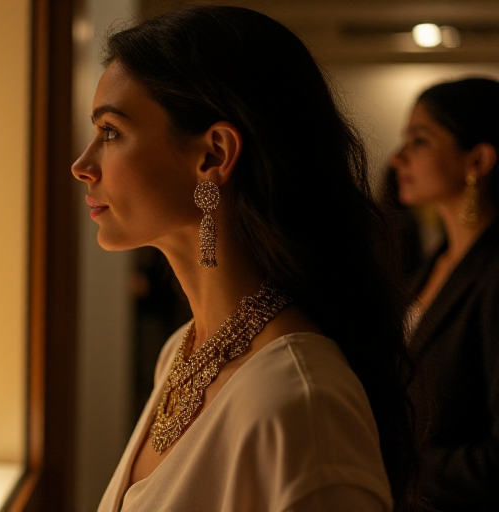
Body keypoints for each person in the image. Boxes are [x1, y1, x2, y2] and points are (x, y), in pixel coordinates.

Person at [73, 7, 417, 511]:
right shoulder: (182, 353)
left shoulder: (300, 401)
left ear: (213, 155)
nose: (82, 166)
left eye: (110, 132)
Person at [390, 77, 499, 511]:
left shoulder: (493, 273)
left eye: (419, 140)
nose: (397, 157)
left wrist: (390, 464)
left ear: (477, 159)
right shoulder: (433, 264)